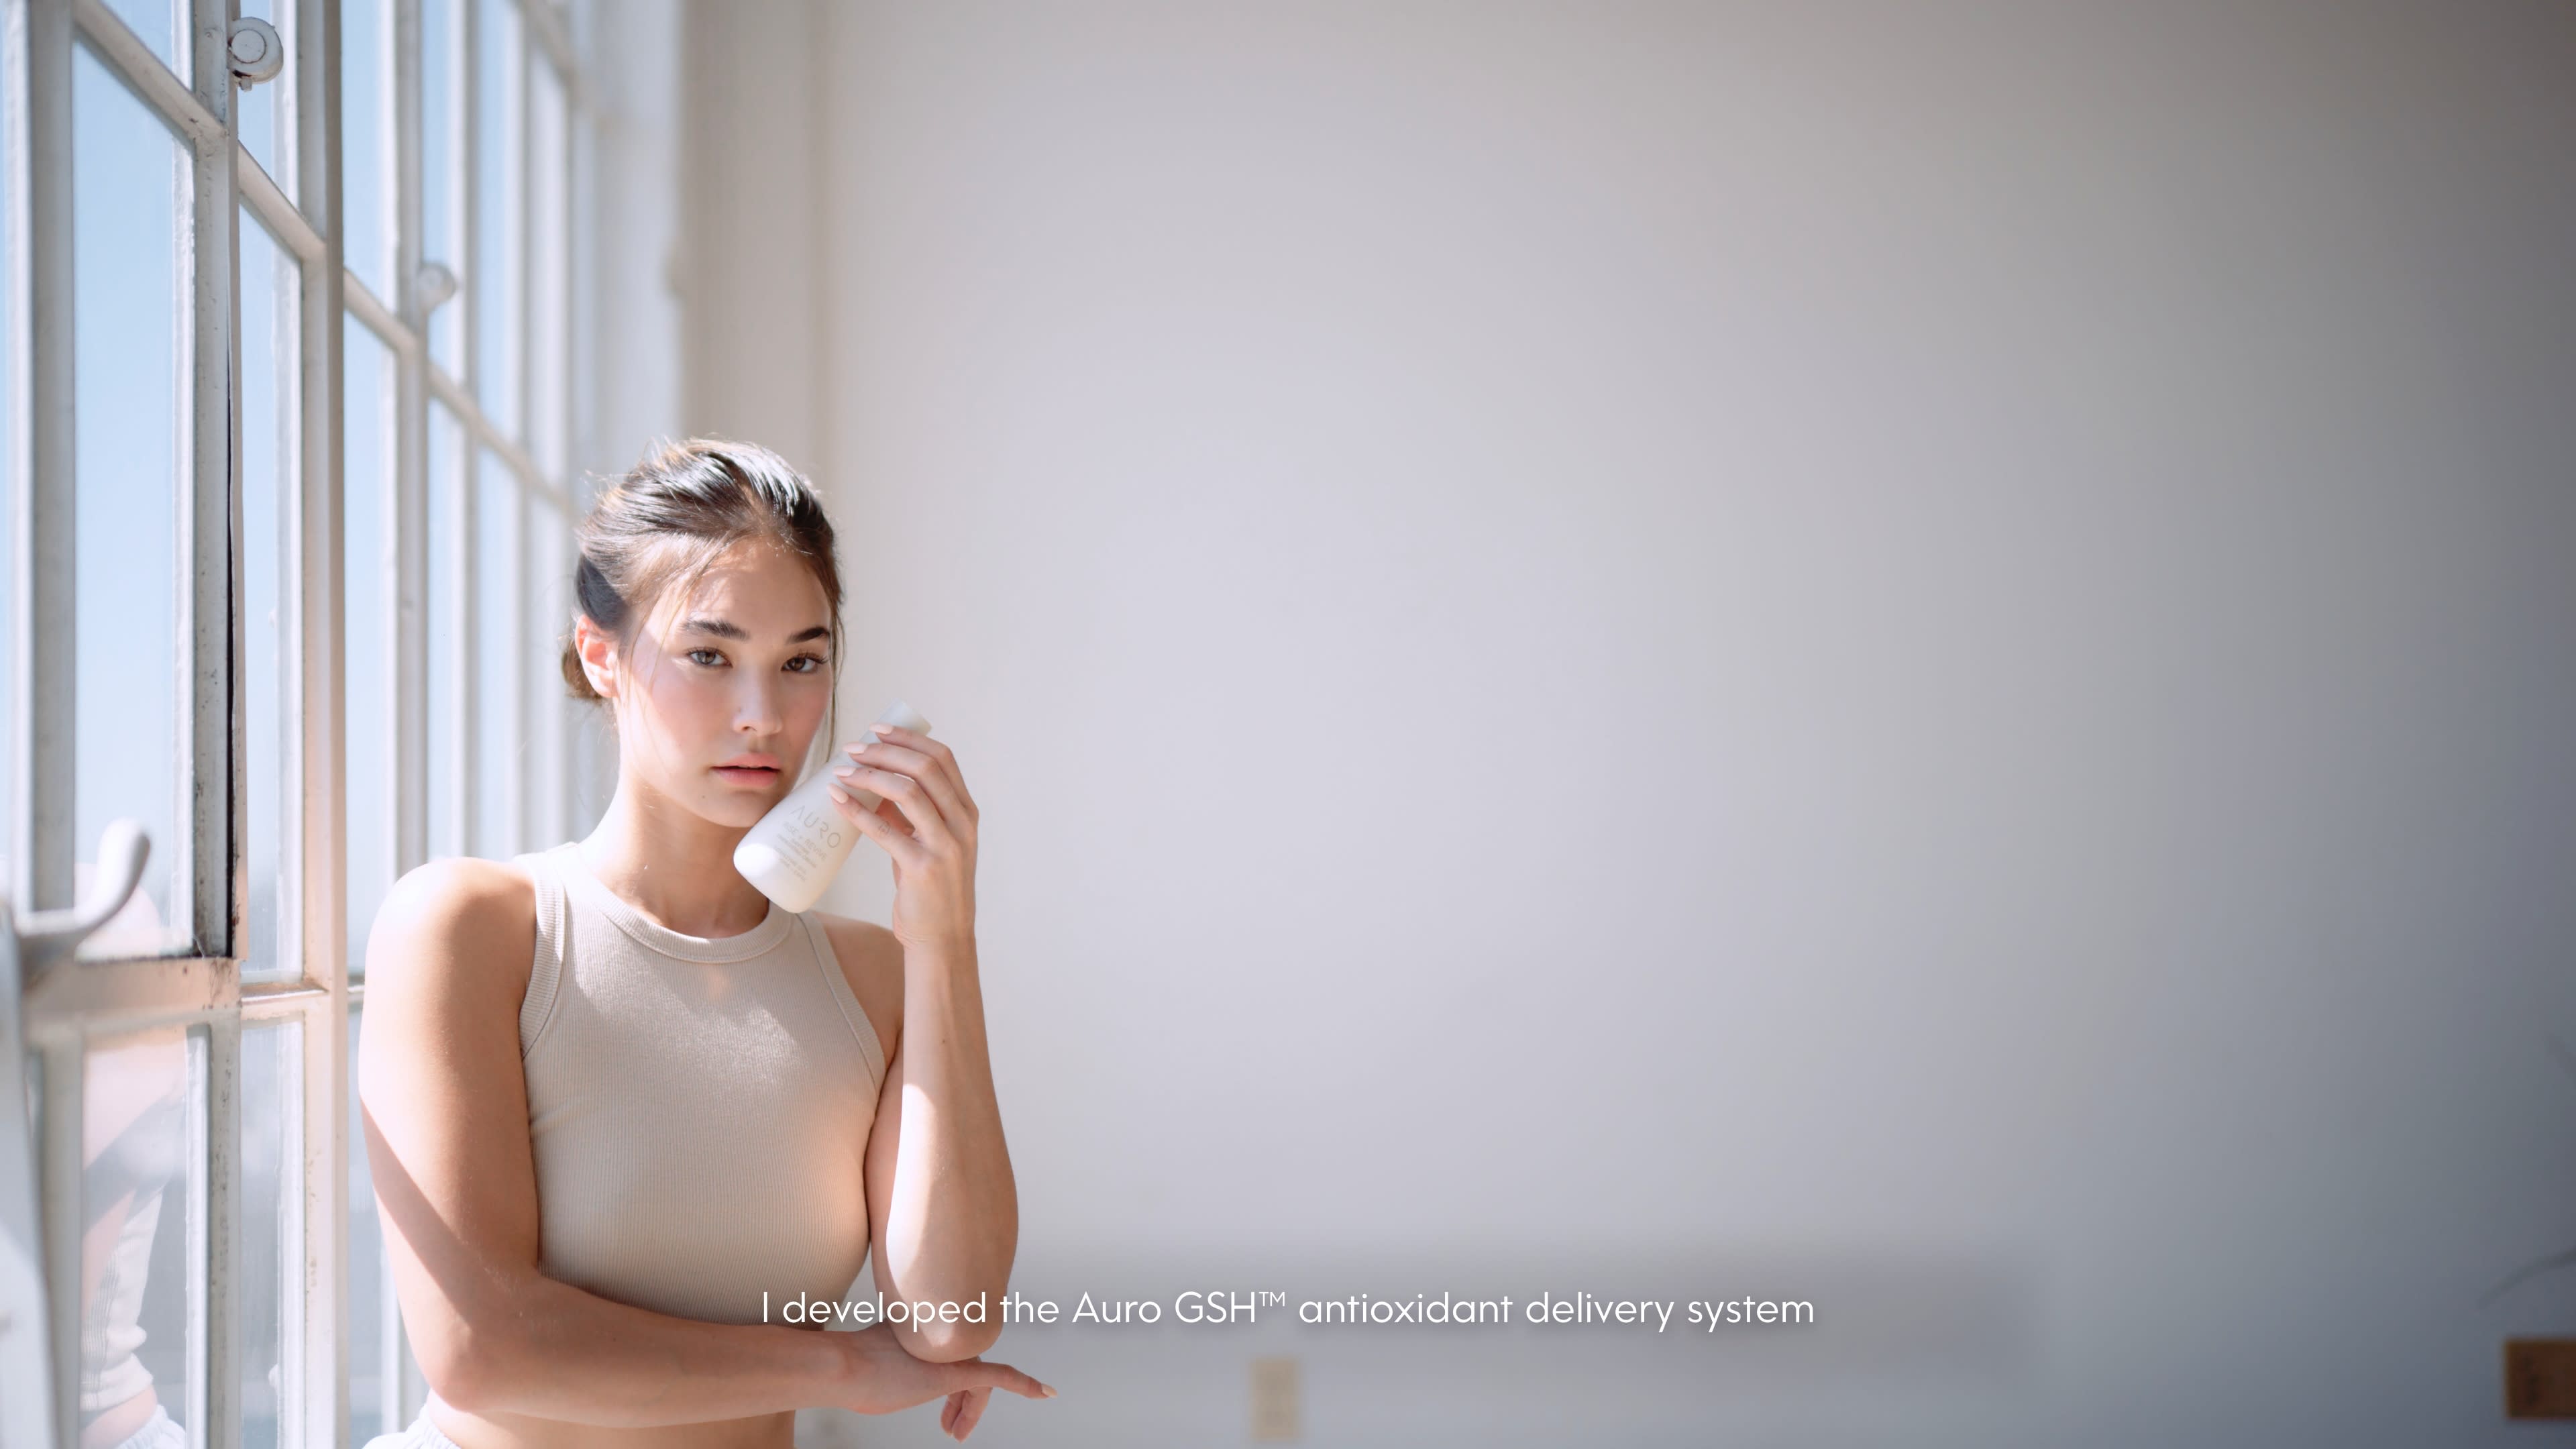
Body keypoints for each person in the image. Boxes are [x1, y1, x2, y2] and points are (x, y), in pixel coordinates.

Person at [358, 439, 1050, 1448]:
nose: (763, 717)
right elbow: (481, 1346)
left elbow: (948, 1322)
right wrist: (845, 1365)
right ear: (602, 656)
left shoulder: (875, 978)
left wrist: (944, 934)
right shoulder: (473, 929)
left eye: (801, 663)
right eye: (709, 656)